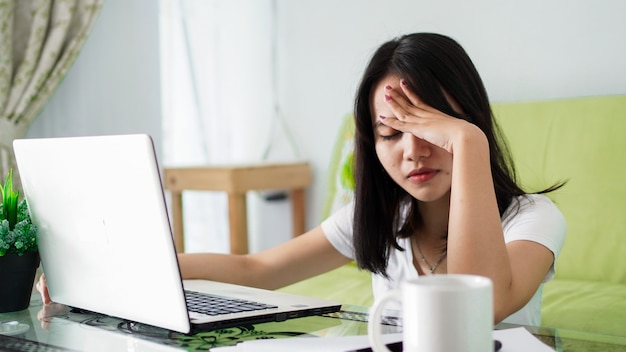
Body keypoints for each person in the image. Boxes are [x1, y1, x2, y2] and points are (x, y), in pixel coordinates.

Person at [38, 32, 566, 326]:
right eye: (390, 134)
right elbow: (255, 268)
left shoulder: (532, 220)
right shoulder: (381, 219)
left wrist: (469, 142)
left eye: (432, 127)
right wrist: (119, 270)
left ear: (467, 121)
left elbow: (483, 304)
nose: (412, 152)